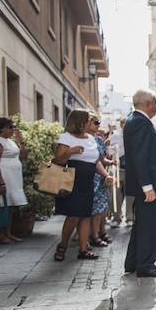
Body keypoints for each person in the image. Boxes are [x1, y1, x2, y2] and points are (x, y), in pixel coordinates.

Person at [124, 89, 156, 278]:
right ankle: (146, 265)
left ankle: (133, 262)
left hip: (151, 185)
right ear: (149, 104)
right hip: (152, 187)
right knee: (151, 226)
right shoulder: (140, 123)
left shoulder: (137, 121)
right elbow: (140, 157)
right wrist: (147, 187)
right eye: (155, 103)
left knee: (142, 225)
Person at [52, 110, 114, 261]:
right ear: (79, 122)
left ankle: (83, 249)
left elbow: (96, 161)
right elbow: (58, 161)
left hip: (88, 181)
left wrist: (106, 175)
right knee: (73, 217)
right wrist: (70, 151)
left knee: (86, 216)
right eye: (88, 120)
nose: (90, 122)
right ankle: (63, 246)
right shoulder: (66, 137)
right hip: (72, 181)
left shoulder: (91, 139)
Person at [86, 115, 113, 248]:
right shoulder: (83, 139)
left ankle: (100, 232)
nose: (98, 125)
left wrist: (111, 161)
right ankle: (93, 236)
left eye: (99, 122)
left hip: (100, 177)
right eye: (95, 122)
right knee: (93, 209)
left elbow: (101, 159)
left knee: (102, 207)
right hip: (89, 177)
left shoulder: (99, 139)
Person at [0, 118, 27, 243]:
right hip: (5, 176)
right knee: (2, 205)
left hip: (14, 177)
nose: (13, 129)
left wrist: (21, 142)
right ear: (1, 128)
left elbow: (24, 157)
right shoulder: (0, 142)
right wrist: (1, 182)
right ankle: (1, 234)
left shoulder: (11, 141)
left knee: (10, 206)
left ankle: (8, 233)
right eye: (10, 127)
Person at [108, 119, 134, 227]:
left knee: (131, 195)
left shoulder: (135, 137)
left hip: (132, 169)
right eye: (124, 125)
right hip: (117, 169)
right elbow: (108, 150)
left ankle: (130, 218)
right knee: (116, 194)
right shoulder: (115, 137)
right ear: (121, 126)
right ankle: (116, 217)